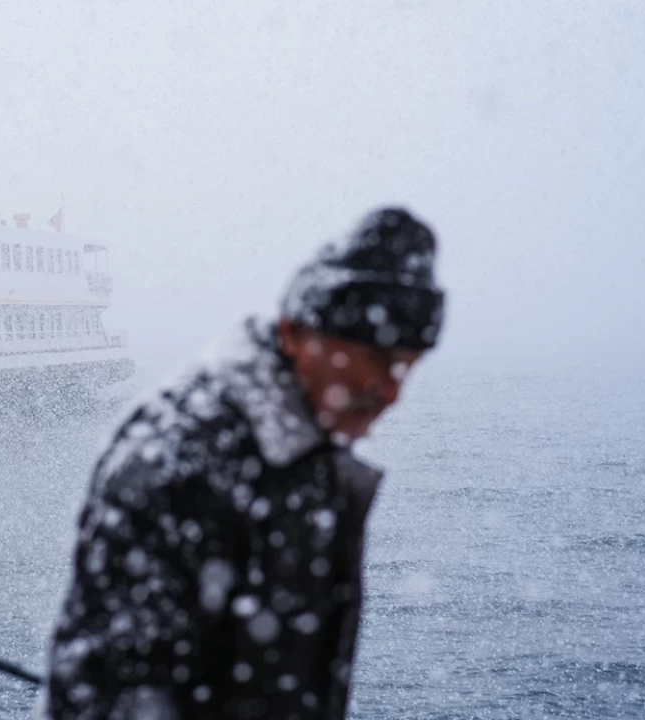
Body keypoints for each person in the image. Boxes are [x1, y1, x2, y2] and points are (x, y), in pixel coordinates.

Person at [42, 207, 446, 719]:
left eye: (407, 367)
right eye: (371, 360)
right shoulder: (180, 463)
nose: (390, 392)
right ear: (295, 334)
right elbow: (104, 696)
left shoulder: (300, 446)